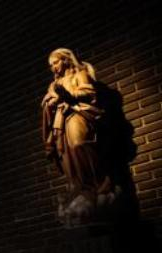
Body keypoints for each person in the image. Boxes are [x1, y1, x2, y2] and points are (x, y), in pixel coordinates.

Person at [41, 48, 112, 222]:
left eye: (56, 62)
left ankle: (100, 184)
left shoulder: (78, 74)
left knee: (80, 144)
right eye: (51, 65)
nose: (53, 68)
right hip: (60, 120)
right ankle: (82, 187)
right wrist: (49, 102)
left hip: (77, 113)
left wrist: (68, 95)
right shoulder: (53, 84)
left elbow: (89, 92)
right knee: (66, 155)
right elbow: (50, 102)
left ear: (65, 60)